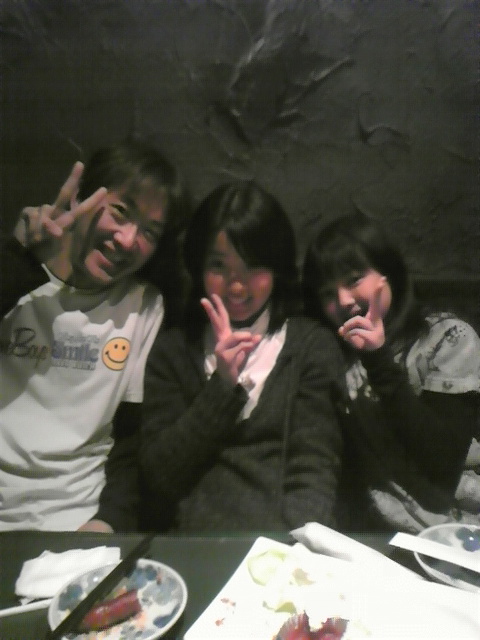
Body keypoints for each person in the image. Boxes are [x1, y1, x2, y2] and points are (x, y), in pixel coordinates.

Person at [0, 140, 186, 532]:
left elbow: (132, 439)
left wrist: (108, 521)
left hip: (78, 518)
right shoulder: (17, 276)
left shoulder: (144, 306)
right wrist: (18, 261)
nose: (128, 240)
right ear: (80, 197)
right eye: (120, 212)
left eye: (150, 232)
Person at [139, 180, 346, 533]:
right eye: (219, 266)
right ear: (198, 266)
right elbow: (159, 479)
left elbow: (313, 474)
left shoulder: (310, 348)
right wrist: (221, 387)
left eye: (253, 267)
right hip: (189, 548)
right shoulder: (173, 351)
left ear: (277, 268)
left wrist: (288, 555)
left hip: (280, 551)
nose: (236, 286)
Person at [302, 211, 480, 532]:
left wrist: (379, 361)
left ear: (388, 274)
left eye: (353, 280)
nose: (343, 300)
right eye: (328, 293)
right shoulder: (329, 355)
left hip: (455, 526)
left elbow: (442, 464)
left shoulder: (448, 339)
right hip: (371, 533)